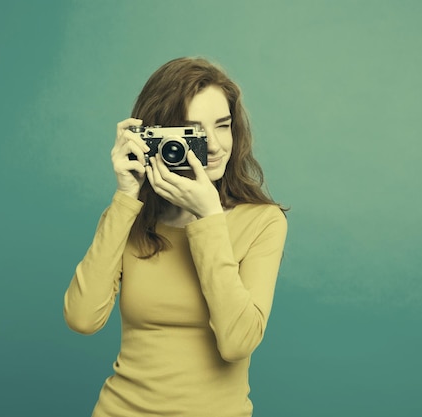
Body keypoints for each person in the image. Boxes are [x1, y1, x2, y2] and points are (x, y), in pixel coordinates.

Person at [63, 57, 288, 417]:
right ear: (160, 135)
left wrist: (209, 218)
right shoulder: (132, 218)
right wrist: (124, 198)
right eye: (193, 131)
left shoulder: (262, 222)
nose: (213, 145)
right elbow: (82, 318)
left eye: (223, 126)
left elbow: (237, 343)